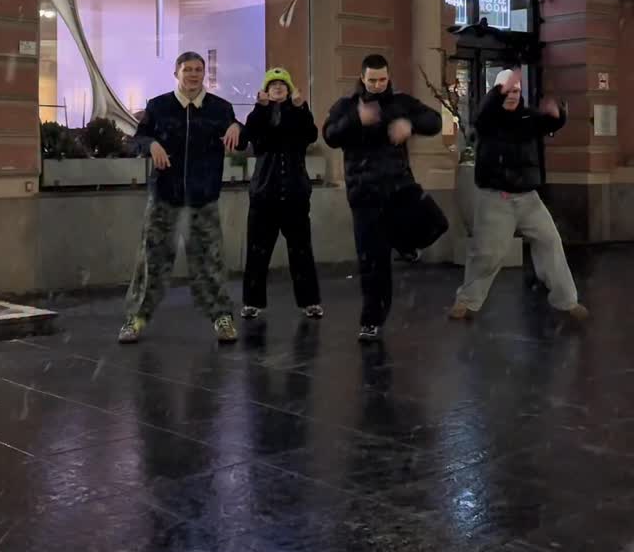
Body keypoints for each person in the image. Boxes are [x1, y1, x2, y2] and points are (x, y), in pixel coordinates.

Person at [118, 51, 243, 344]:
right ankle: (135, 318)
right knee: (151, 261)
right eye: (187, 69)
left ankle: (222, 317)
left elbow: (242, 138)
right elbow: (136, 140)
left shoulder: (220, 108)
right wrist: (151, 145)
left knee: (210, 262)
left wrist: (238, 127)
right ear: (176, 73)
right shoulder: (159, 106)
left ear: (204, 74)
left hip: (203, 199)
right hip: (165, 198)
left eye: (198, 69)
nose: (193, 75)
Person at [449, 68, 589, 323]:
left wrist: (558, 114)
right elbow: (482, 115)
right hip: (496, 198)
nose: (512, 95)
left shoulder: (528, 117)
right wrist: (500, 91)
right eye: (507, 91)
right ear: (496, 92)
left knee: (550, 243)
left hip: (528, 198)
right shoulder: (488, 118)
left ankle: (567, 300)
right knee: (487, 255)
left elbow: (551, 123)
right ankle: (467, 300)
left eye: (516, 91)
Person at [323, 54, 445, 342]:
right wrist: (357, 119)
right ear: (362, 78)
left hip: (399, 186)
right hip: (364, 192)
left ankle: (404, 244)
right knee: (373, 262)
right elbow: (330, 135)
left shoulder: (400, 102)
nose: (377, 85)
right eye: (372, 80)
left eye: (382, 79)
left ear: (388, 77)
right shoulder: (347, 105)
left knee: (437, 223)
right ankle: (371, 321)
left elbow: (434, 121)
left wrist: (409, 124)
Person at [240, 68, 323, 320]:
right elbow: (249, 136)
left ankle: (310, 302)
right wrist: (261, 108)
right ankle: (252, 302)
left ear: (289, 89)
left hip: (295, 194)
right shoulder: (260, 113)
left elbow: (310, 134)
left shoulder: (297, 112)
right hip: (264, 194)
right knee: (257, 251)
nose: (278, 88)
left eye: (282, 84)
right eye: (273, 84)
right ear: (266, 90)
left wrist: (301, 107)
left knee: (301, 251)